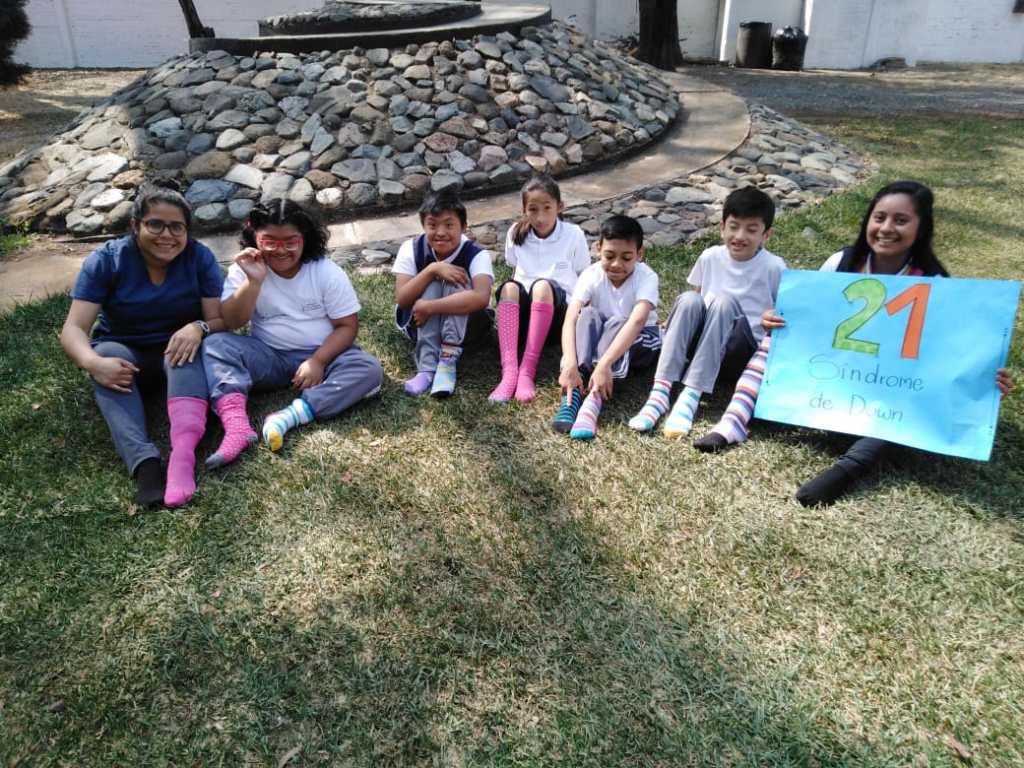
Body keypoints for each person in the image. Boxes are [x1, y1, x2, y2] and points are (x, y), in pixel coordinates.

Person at [691, 180, 1014, 506]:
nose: (886, 228)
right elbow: (808, 321)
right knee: (774, 342)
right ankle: (734, 421)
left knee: (915, 399)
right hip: (832, 385)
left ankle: (848, 468)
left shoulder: (934, 282)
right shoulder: (841, 263)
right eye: (879, 218)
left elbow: (947, 355)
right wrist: (776, 319)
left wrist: (981, 380)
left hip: (887, 399)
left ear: (921, 228)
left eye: (901, 220)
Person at [60, 183, 225, 508]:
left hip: (177, 352)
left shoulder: (199, 257)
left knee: (184, 351)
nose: (167, 235)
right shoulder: (107, 260)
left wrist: (197, 327)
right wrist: (92, 363)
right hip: (125, 351)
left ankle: (182, 457)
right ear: (136, 225)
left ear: (187, 231)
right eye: (156, 224)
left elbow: (220, 320)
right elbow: (73, 328)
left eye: (177, 227)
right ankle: (145, 465)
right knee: (106, 353)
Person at [201, 200, 383, 466]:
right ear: (254, 237)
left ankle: (290, 415)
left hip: (324, 356)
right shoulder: (244, 268)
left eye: (290, 241)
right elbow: (231, 321)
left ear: (305, 238)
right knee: (216, 344)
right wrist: (253, 281)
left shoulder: (325, 272)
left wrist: (318, 361)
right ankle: (236, 426)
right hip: (269, 356)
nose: (280, 250)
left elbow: (347, 326)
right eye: (269, 241)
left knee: (368, 369)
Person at [628, 186, 786, 438]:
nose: (740, 235)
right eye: (733, 226)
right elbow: (699, 296)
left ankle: (690, 396)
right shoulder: (710, 256)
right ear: (722, 227)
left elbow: (782, 314)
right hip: (702, 347)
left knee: (724, 302)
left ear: (766, 234)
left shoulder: (774, 267)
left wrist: (769, 319)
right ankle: (659, 394)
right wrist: (676, 323)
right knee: (689, 299)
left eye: (751, 229)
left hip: (738, 352)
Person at [552, 214, 661, 440]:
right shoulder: (591, 274)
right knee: (588, 314)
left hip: (639, 338)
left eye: (626, 257)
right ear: (598, 249)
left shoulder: (647, 277)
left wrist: (604, 364)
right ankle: (576, 385)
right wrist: (570, 363)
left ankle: (593, 399)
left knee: (619, 321)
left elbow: (637, 321)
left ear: (639, 254)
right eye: (609, 256)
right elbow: (571, 318)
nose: (616, 264)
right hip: (602, 338)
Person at [490, 175, 591, 403]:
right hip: (524, 320)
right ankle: (509, 372)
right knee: (509, 287)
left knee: (542, 286)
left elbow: (583, 274)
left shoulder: (573, 234)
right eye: (533, 210)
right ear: (524, 210)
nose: (540, 217)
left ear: (559, 206)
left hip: (557, 319)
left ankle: (527, 370)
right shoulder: (515, 233)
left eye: (547, 208)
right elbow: (514, 266)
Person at [392, 190, 494, 398]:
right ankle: (427, 368)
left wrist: (430, 307)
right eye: (432, 225)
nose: (440, 232)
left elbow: (481, 297)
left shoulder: (477, 254)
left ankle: (447, 360)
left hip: (466, 328)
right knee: (432, 281)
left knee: (458, 276)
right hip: (418, 324)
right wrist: (432, 270)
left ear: (463, 226)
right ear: (423, 225)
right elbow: (402, 299)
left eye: (449, 225)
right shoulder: (411, 248)